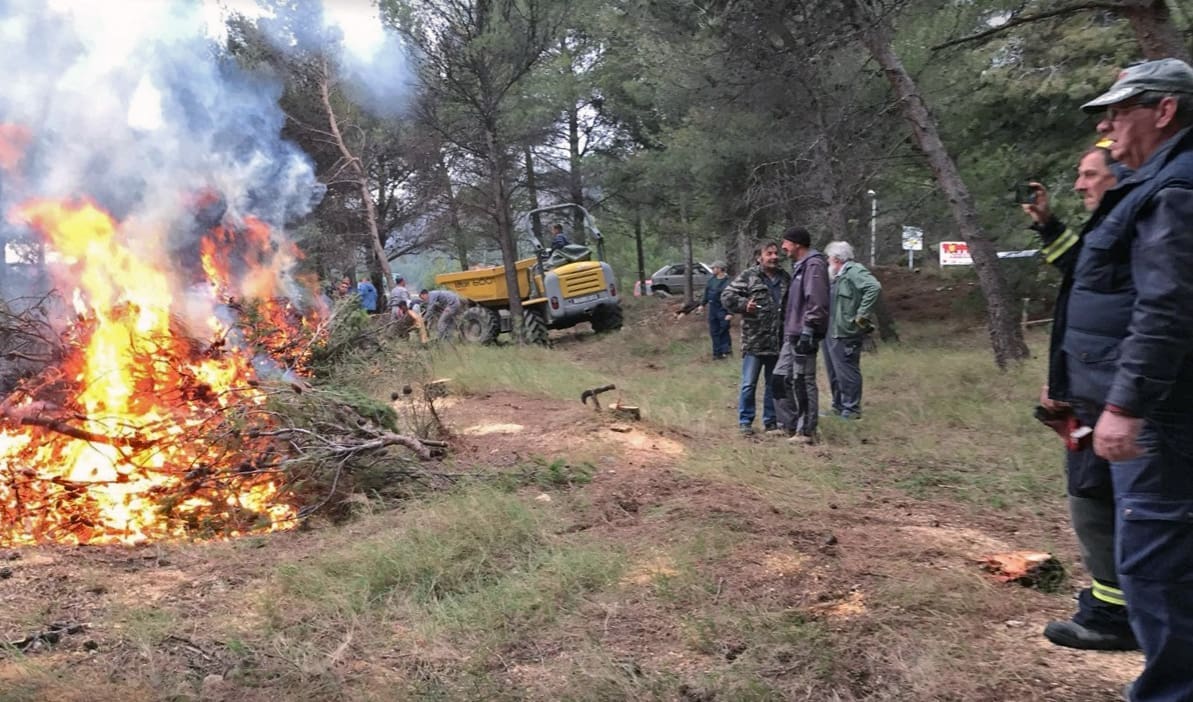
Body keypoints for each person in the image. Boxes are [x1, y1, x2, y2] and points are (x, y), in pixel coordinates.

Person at [1064, 58, 1193, 701]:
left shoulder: (1175, 188)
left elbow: (1166, 305)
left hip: (1162, 418)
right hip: (1145, 403)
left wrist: (1125, 404)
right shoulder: (1154, 183)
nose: (1108, 127)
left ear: (1164, 110)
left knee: (1157, 565)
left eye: (1120, 111)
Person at [1021, 141, 1137, 652]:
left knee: (1100, 499)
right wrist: (1047, 224)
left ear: (1120, 175)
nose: (1078, 183)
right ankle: (1116, 602)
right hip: (1093, 393)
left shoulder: (1140, 224)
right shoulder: (1109, 226)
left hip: (1116, 397)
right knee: (1098, 497)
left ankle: (1115, 612)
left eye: (1089, 174)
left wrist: (1116, 397)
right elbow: (1080, 272)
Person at [720, 241, 789, 436]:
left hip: (777, 341)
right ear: (759, 257)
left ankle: (771, 422)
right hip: (754, 341)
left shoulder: (785, 278)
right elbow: (726, 295)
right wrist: (743, 305)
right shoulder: (749, 276)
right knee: (749, 383)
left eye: (776, 253)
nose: (774, 257)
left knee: (772, 384)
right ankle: (745, 422)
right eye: (769, 254)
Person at [776, 226, 829, 444]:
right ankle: (788, 425)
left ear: (797, 244)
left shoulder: (814, 265)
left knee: (802, 380)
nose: (782, 247)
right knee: (780, 377)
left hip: (804, 334)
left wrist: (809, 330)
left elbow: (816, 301)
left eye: (785, 242)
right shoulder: (800, 266)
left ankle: (806, 431)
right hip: (792, 333)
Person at [822, 241, 881, 421]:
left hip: (846, 332)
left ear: (837, 259)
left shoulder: (854, 271)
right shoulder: (837, 275)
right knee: (834, 372)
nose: (827, 261)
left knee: (847, 371)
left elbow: (874, 287)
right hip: (831, 331)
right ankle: (838, 406)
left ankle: (852, 410)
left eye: (829, 258)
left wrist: (862, 313)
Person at [697, 261, 732, 359]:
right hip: (713, 309)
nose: (712, 270)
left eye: (714, 268)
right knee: (714, 331)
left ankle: (726, 351)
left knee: (724, 329)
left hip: (723, 309)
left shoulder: (728, 281)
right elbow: (706, 293)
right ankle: (717, 354)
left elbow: (732, 298)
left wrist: (730, 312)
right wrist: (702, 305)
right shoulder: (711, 280)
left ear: (720, 269)